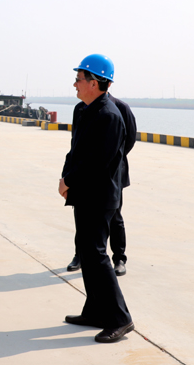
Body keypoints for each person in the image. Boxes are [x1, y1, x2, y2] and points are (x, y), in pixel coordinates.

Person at [59, 54, 134, 343]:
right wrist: (65, 177)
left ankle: (120, 319)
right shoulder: (84, 110)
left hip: (100, 195)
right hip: (83, 192)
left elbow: (99, 162)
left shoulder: (110, 115)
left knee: (97, 255)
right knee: (87, 251)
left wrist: (70, 180)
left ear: (94, 83)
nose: (75, 84)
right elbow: (75, 150)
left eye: (79, 79)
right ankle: (94, 311)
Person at [66, 91, 137, 276]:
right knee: (81, 215)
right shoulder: (80, 108)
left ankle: (119, 258)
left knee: (114, 216)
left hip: (112, 175)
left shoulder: (119, 108)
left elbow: (129, 140)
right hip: (84, 172)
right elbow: (76, 141)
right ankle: (79, 255)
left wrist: (112, 159)